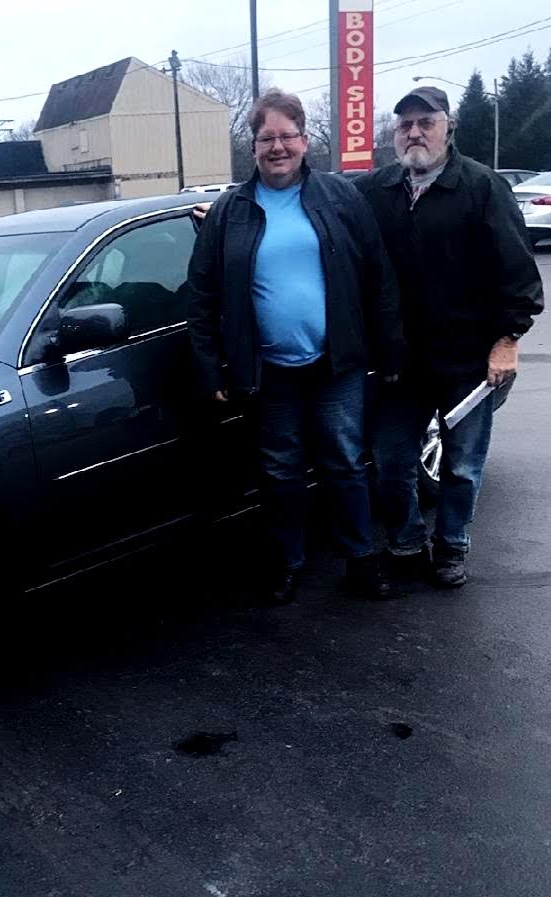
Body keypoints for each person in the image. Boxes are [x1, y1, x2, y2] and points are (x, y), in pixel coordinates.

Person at [187, 89, 405, 604]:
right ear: (253, 146)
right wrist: (211, 370)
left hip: (336, 362)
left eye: (287, 136)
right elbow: (202, 295)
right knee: (280, 469)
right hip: (270, 369)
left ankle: (359, 559)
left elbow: (379, 276)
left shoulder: (340, 197)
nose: (278, 147)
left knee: (344, 462)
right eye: (267, 138)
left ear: (305, 141)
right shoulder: (229, 211)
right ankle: (287, 562)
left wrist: (391, 350)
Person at [352, 86, 544, 587]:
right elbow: (319, 209)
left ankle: (452, 547)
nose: (414, 132)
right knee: (391, 463)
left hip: (468, 361)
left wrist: (508, 340)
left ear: (448, 127)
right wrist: (224, 215)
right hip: (401, 363)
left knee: (461, 466)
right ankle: (407, 543)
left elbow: (519, 272)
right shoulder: (377, 190)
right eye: (405, 124)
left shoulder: (481, 187)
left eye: (426, 122)